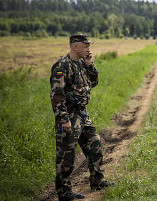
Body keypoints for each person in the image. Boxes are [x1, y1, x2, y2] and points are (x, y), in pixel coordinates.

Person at [50, 34, 113, 201]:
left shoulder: (81, 64)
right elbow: (57, 95)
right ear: (75, 46)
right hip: (69, 115)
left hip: (83, 114)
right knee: (66, 155)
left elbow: (94, 83)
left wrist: (90, 65)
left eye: (88, 45)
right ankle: (64, 192)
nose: (88, 48)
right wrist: (64, 119)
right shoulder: (62, 65)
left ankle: (97, 181)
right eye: (85, 45)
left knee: (96, 146)